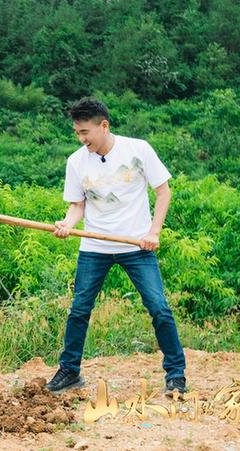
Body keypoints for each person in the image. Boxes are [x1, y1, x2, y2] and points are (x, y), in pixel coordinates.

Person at [47, 97, 187, 396]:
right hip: (94, 246)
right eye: (77, 133)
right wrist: (67, 224)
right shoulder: (76, 161)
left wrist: (154, 231)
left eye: (85, 132)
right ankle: (69, 371)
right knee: (79, 310)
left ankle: (176, 374)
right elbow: (77, 205)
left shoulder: (138, 149)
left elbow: (163, 192)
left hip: (137, 245)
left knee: (159, 308)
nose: (81, 139)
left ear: (104, 126)